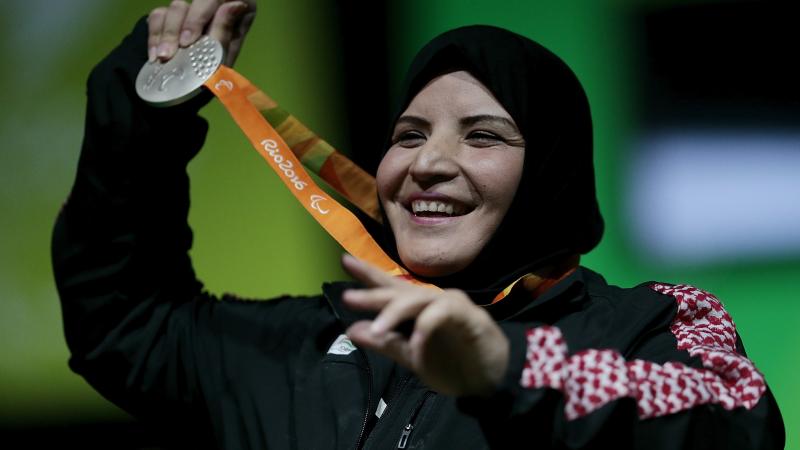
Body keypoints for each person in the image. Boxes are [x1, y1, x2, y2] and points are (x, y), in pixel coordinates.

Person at [52, 1, 784, 448]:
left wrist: (505, 368)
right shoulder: (305, 345)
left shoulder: (652, 323)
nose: (426, 164)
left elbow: (734, 425)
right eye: (407, 135)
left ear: (552, 177)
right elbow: (122, 317)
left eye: (484, 135)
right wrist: (147, 106)